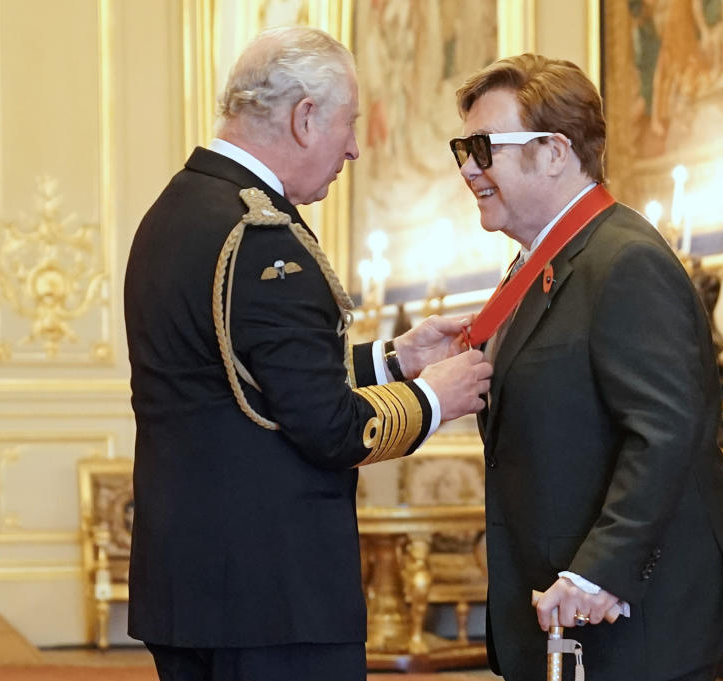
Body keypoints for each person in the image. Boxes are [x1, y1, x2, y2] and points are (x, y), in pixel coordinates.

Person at [124, 26, 492, 681]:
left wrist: (396, 359)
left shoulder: (178, 209)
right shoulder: (263, 238)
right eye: (348, 125)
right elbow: (328, 428)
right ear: (304, 117)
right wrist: (438, 396)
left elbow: (249, 377)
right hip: (273, 599)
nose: (353, 148)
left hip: (189, 587)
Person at [451, 54, 723, 681]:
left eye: (485, 146)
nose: (467, 167)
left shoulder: (624, 261)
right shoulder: (543, 264)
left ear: (556, 151)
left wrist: (597, 570)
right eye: (463, 146)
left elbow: (666, 434)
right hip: (567, 618)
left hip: (631, 623)